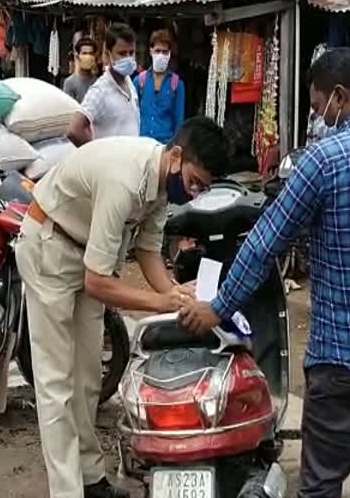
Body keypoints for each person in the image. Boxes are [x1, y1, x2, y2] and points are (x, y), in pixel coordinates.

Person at [179, 48, 350, 498]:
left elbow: (265, 243)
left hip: (346, 358)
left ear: (339, 96)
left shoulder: (323, 159)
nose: (318, 117)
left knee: (321, 484)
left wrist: (218, 307)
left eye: (317, 107)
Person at [15, 116, 230, 498]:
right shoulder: (125, 180)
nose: (194, 193)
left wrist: (178, 293)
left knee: (87, 377)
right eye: (195, 182)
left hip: (85, 254)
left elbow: (148, 251)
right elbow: (97, 283)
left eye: (203, 189)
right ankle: (67, 491)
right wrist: (159, 301)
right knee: (56, 383)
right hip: (50, 246)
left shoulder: (162, 185)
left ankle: (91, 476)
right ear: (176, 156)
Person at [67, 23, 140, 146]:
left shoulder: (129, 82)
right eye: (122, 53)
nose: (128, 58)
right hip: (110, 163)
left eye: (131, 53)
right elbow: (74, 130)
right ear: (107, 55)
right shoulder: (100, 89)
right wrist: (96, 153)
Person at [136, 29, 185, 144]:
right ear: (150, 51)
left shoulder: (177, 84)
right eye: (157, 51)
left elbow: (179, 121)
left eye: (164, 52)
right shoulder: (139, 81)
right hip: (141, 144)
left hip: (165, 145)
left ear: (169, 54)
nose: (161, 55)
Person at [63, 37, 98, 104]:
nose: (88, 57)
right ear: (77, 56)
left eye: (91, 53)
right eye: (84, 53)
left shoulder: (99, 82)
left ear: (95, 56)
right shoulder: (70, 83)